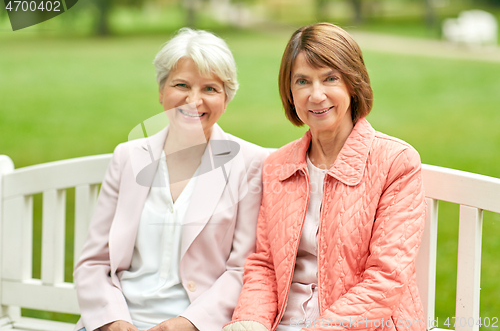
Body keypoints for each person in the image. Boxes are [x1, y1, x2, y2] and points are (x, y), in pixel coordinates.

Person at [223, 23, 426, 331]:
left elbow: (387, 277)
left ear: (352, 83)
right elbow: (265, 265)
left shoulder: (396, 162)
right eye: (302, 81)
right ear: (290, 93)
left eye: (330, 78)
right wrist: (248, 321)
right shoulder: (278, 165)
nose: (316, 95)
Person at [73, 28, 268, 331]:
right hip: (117, 321)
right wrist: (114, 322)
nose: (194, 100)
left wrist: (185, 323)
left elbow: (244, 268)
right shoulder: (128, 157)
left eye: (210, 89)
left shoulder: (250, 164)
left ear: (226, 99)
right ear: (162, 91)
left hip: (197, 324)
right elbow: (94, 262)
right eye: (182, 85)